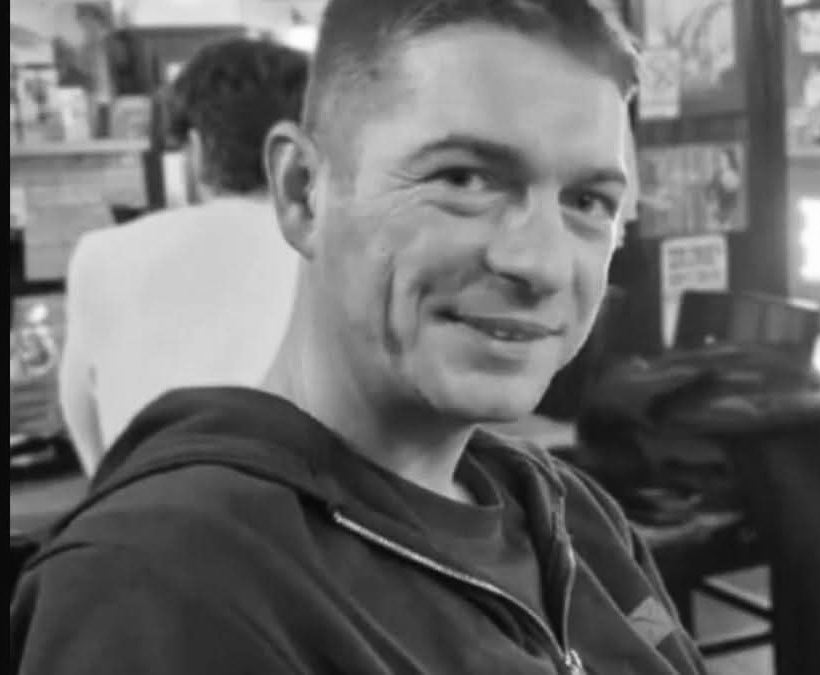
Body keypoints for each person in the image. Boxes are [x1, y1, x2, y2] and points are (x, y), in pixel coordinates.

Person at [13, 2, 706, 673]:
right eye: (463, 178)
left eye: (587, 201)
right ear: (302, 191)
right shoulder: (162, 590)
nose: (542, 263)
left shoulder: (577, 519)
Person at [58, 38, 309, 475]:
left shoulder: (101, 255)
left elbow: (84, 423)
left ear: (195, 148)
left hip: (145, 506)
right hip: (311, 511)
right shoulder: (335, 251)